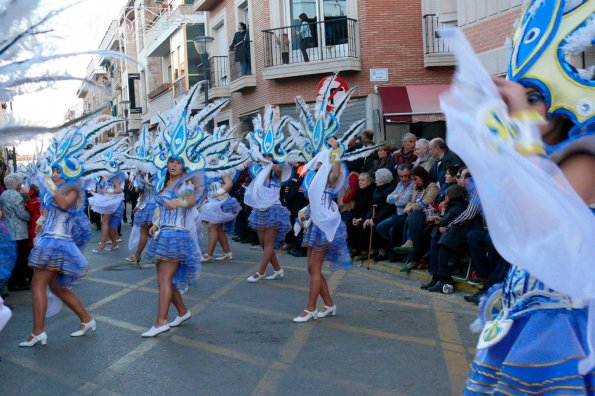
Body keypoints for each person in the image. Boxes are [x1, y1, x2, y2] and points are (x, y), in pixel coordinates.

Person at [438, 5, 595, 393]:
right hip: (529, 306)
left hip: (563, 319)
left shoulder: (586, 154)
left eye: (532, 97)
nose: (518, 108)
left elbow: (541, 217)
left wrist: (519, 123)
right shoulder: (539, 159)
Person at [199, 173, 241, 262]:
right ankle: (227, 252)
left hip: (222, 203)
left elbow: (229, 184)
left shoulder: (222, 170)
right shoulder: (206, 173)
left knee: (212, 227)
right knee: (218, 228)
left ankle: (208, 255)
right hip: (212, 203)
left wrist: (218, 193)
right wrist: (198, 203)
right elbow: (205, 192)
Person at [0, 173, 31, 291]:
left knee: (13, 257)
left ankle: (12, 282)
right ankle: (19, 282)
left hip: (8, 230)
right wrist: (31, 216)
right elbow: (21, 213)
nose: (20, 185)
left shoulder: (3, 194)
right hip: (19, 231)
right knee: (21, 258)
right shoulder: (16, 196)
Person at [89, 173, 125, 252]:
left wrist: (104, 191)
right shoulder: (102, 177)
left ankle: (102, 245)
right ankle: (114, 244)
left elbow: (119, 190)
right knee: (110, 226)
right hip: (109, 202)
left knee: (104, 222)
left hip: (115, 203)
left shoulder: (114, 176)